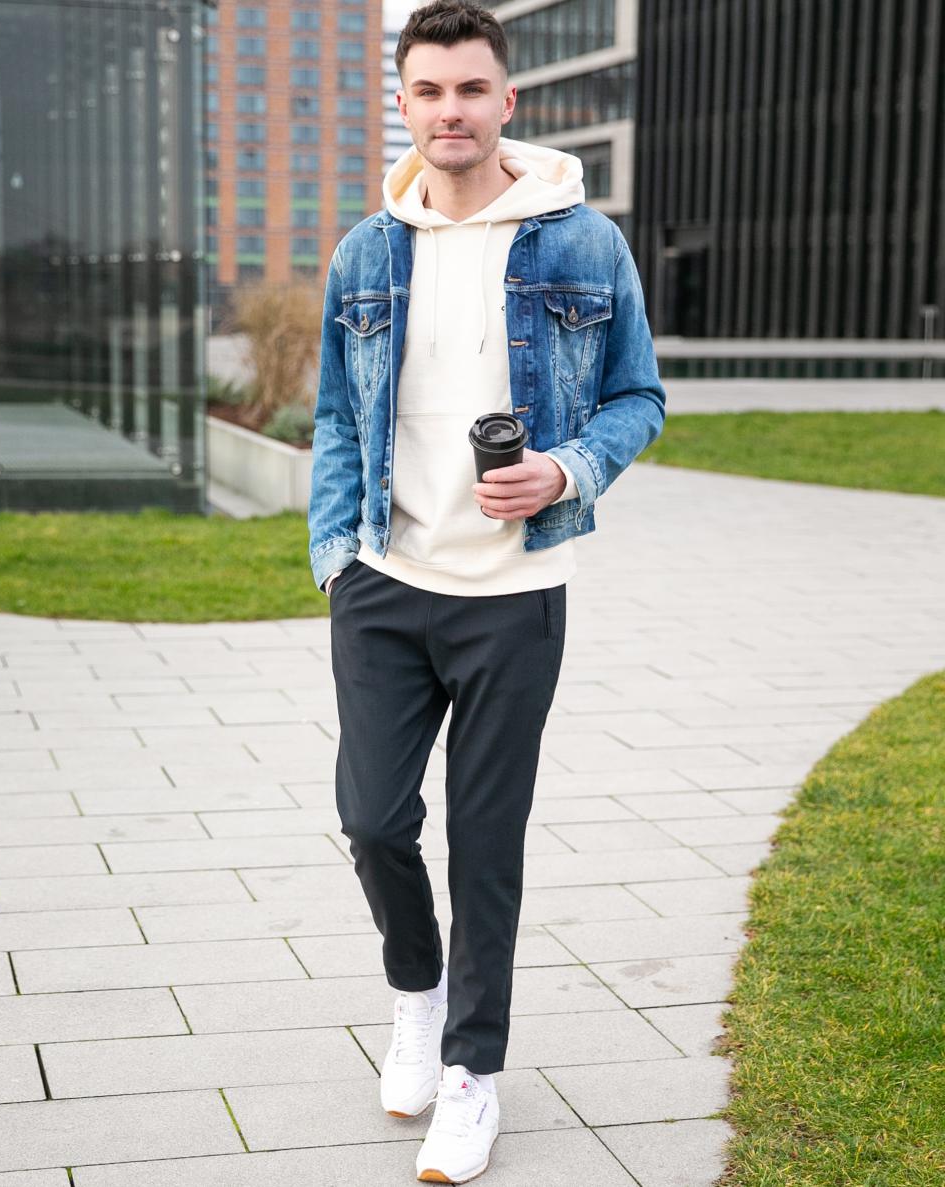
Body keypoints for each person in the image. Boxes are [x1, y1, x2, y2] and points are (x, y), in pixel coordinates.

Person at [307, 2, 666, 1180]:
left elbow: (638, 397)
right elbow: (332, 418)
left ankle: (473, 1070)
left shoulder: (579, 238)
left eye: (472, 89)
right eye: (429, 91)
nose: (450, 110)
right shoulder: (368, 249)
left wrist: (567, 467)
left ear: (509, 101)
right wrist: (334, 553)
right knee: (372, 818)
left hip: (516, 593)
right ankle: (416, 991)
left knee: (486, 840)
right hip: (384, 580)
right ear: (403, 104)